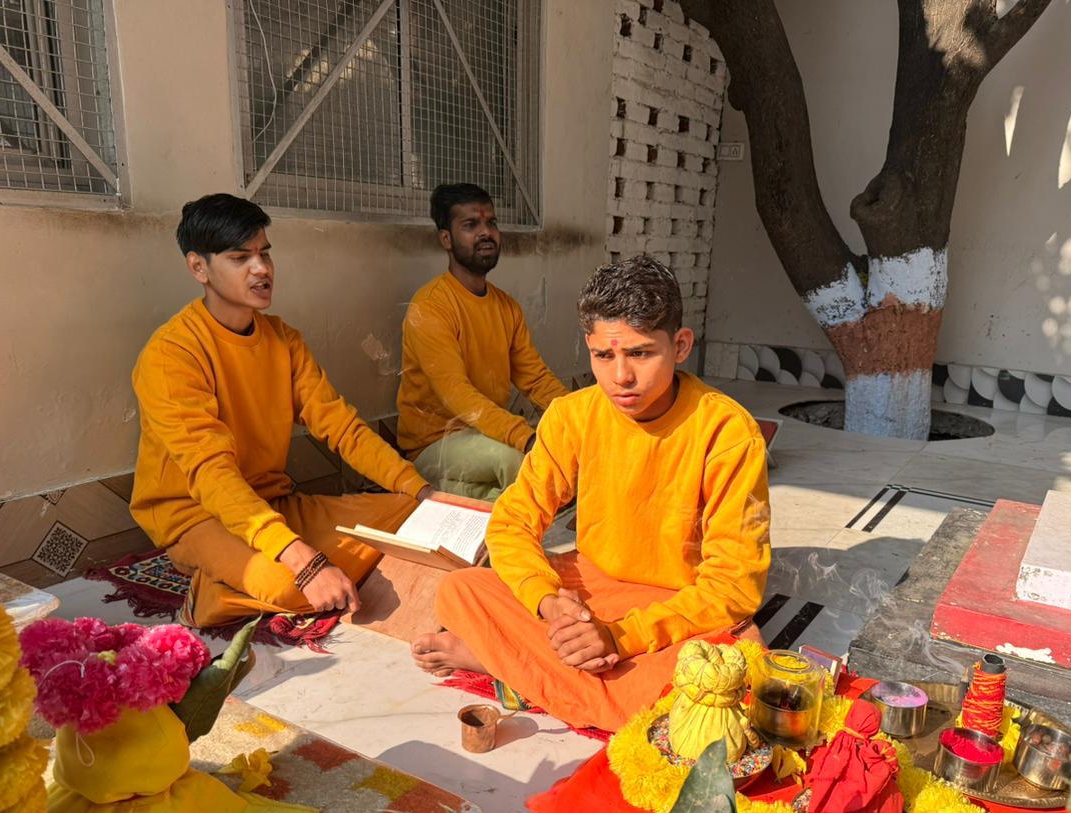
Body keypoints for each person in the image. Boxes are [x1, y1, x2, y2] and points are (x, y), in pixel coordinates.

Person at [412, 255, 771, 731]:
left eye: (640, 354)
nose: (621, 377)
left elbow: (733, 587)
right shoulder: (571, 415)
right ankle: (546, 671)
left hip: (677, 607)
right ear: (589, 348)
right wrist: (550, 603)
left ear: (680, 345)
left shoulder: (727, 431)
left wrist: (620, 637)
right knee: (460, 590)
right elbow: (513, 522)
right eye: (604, 356)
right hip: (588, 591)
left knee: (733, 674)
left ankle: (505, 662)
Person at [130, 193, 432, 628]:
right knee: (295, 586)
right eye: (240, 258)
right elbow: (211, 473)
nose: (261, 269)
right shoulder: (171, 354)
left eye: (265, 253)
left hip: (272, 503)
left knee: (412, 521)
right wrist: (303, 561)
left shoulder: (284, 340)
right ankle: (211, 596)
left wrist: (422, 492)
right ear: (199, 268)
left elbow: (342, 427)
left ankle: (257, 571)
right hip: (197, 514)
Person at [396, 183, 568, 501]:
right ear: (446, 239)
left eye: (491, 222)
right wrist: (525, 438)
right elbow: (458, 395)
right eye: (470, 225)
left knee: (553, 454)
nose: (486, 232)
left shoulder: (507, 307)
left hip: (484, 435)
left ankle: (461, 499)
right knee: (519, 460)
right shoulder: (430, 307)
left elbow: (536, 379)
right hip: (435, 445)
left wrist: (578, 417)